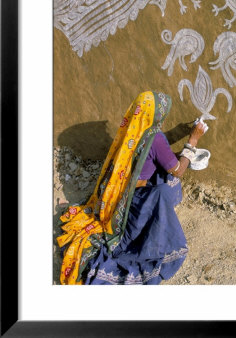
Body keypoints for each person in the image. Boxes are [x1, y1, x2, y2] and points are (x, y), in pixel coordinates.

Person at [57, 91, 206, 285]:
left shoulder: (130, 130)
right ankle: (150, 226)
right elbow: (177, 171)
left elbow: (154, 154)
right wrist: (193, 140)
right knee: (168, 186)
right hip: (133, 204)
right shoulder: (155, 138)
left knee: (162, 174)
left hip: (116, 195)